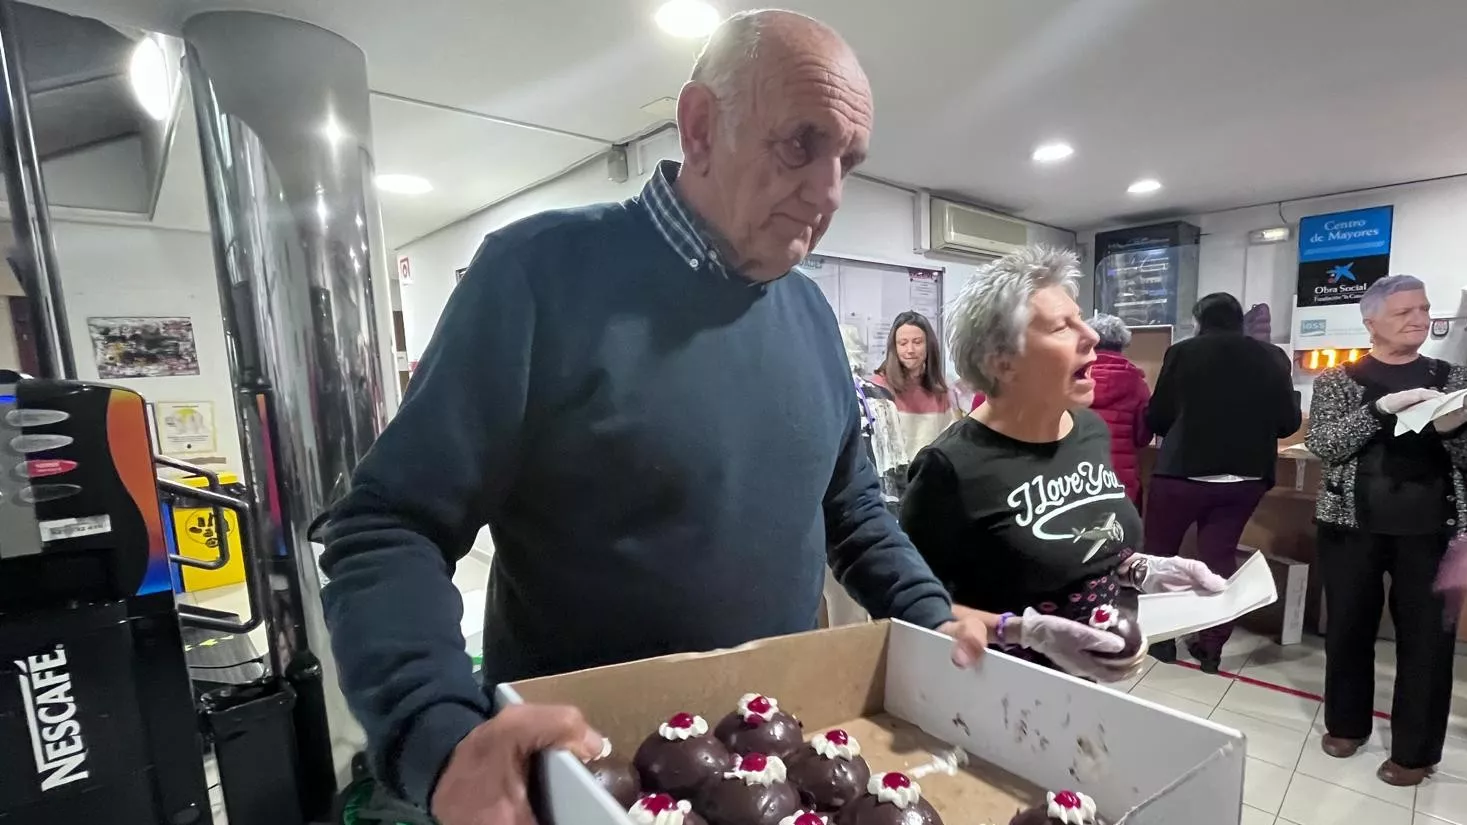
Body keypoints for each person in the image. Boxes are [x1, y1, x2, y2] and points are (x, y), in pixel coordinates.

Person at [316, 11, 997, 824]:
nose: (829, 193)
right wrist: (439, 730)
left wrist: (930, 612)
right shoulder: (537, 275)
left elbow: (848, 512)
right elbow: (387, 527)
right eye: (798, 145)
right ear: (702, 126)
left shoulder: (811, 318)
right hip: (583, 783)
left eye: (846, 160)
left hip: (775, 768)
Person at [900, 246, 1225, 682]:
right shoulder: (950, 466)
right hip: (992, 690)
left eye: (1080, 318)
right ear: (1003, 363)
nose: (1089, 335)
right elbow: (911, 605)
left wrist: (1140, 568)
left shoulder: (1087, 430)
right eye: (1061, 327)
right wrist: (1023, 633)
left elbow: (1082, 545)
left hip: (1084, 684)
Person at [1305, 274, 1466, 787]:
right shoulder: (1340, 380)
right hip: (1352, 526)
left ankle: (1414, 753)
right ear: (1371, 321)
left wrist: (1453, 430)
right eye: (1403, 312)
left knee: (1428, 643)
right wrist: (1377, 411)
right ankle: (1347, 724)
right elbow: (1325, 445)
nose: (1418, 319)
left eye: (1422, 309)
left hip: (1433, 531)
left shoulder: (1452, 377)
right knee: (1348, 628)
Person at [1142, 292, 1301, 670]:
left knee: (1161, 554)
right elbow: (1288, 424)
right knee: (1219, 557)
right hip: (1245, 477)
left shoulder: (1183, 352)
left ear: (1199, 321)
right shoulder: (1274, 357)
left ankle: (1162, 641)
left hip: (1183, 472)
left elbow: (1158, 416)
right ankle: (1211, 646)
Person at [1083, 314, 1152, 510]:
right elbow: (1142, 436)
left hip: (1078, 474)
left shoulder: (1073, 379)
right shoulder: (1136, 382)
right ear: (1122, 343)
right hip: (1121, 477)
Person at [871, 310, 957, 458]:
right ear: (894, 347)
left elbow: (950, 443)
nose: (910, 350)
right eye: (903, 343)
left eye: (917, 342)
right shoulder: (878, 388)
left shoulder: (939, 390)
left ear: (928, 346)